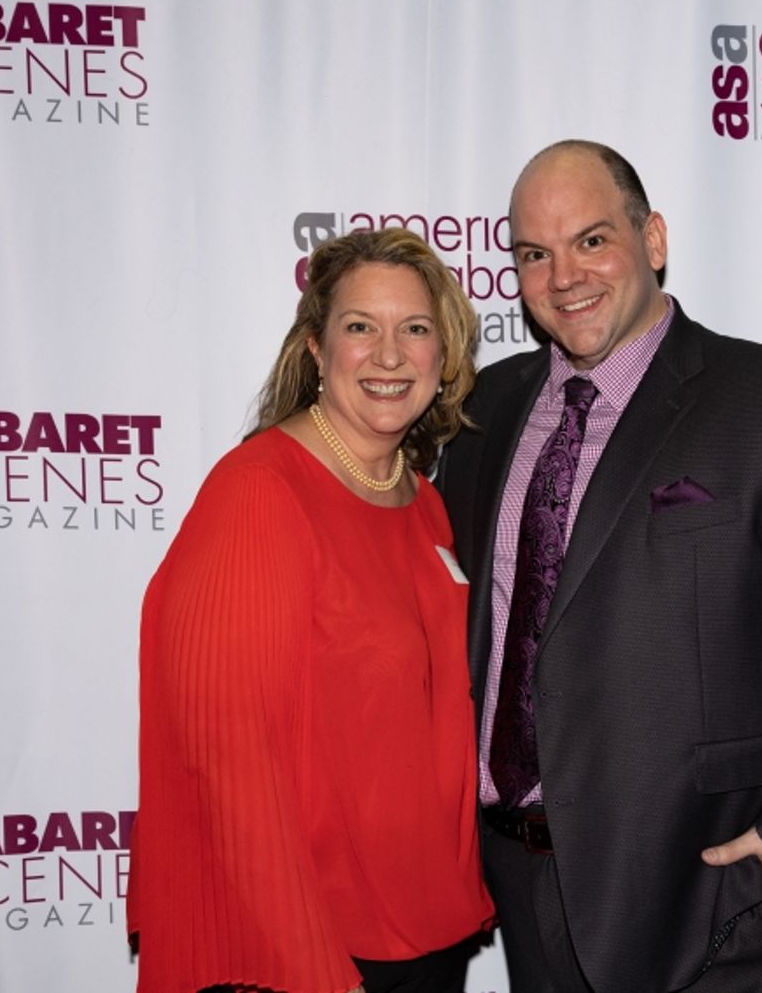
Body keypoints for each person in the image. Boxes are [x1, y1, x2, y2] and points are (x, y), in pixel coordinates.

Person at [434, 141, 762, 993]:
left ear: (653, 238)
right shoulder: (485, 409)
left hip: (710, 894)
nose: (563, 277)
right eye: (533, 254)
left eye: (592, 239)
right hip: (516, 881)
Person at [130, 227, 494, 993]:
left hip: (420, 933)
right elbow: (228, 763)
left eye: (416, 329)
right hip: (307, 947)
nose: (390, 354)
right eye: (361, 327)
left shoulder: (422, 501)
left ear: (444, 356)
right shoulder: (259, 494)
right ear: (316, 351)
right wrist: (315, 970)